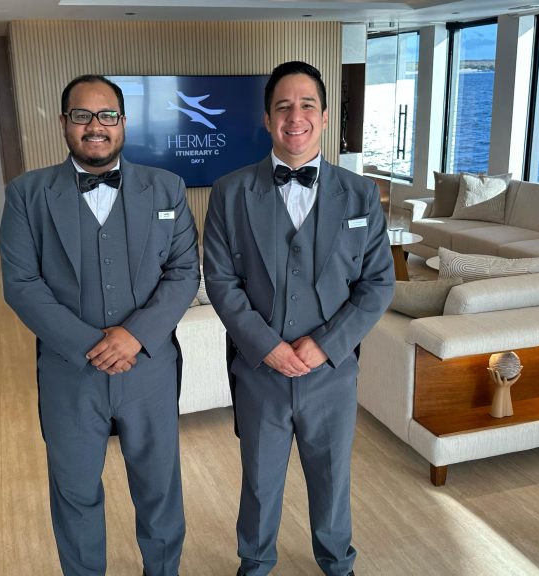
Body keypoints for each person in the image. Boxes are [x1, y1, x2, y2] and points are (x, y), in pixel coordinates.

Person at [0, 74, 198, 576]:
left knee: (158, 487)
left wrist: (134, 336)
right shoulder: (27, 193)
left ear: (123, 123)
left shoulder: (167, 187)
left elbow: (183, 273)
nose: (95, 127)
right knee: (75, 489)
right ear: (64, 123)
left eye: (107, 115)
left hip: (149, 368)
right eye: (82, 116)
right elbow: (21, 284)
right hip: (69, 373)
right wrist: (91, 345)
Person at [203, 61, 394, 576]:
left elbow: (378, 283)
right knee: (260, 479)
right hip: (259, 370)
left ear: (325, 117)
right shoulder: (229, 193)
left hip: (332, 372)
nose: (296, 116)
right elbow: (221, 282)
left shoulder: (360, 194)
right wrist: (267, 346)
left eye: (307, 104)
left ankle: (337, 562)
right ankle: (256, 562)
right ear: (267, 119)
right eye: (283, 106)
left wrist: (326, 345)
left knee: (332, 476)